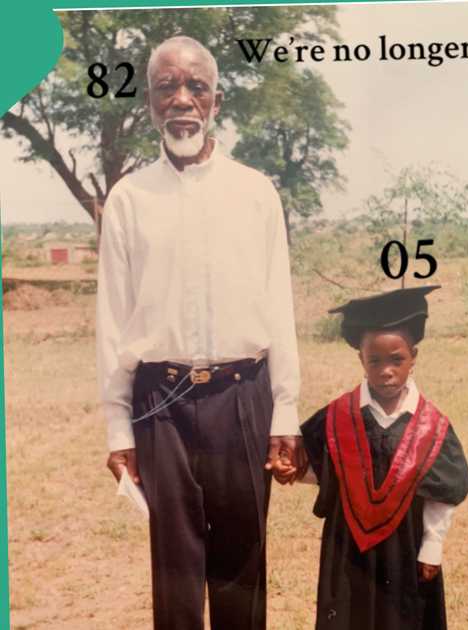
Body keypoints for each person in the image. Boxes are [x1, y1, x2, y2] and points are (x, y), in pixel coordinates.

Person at [96, 35, 304, 630]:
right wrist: (118, 427)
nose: (182, 99)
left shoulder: (255, 192)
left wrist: (284, 413)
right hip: (159, 405)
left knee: (242, 567)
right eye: (167, 87)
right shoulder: (129, 199)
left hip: (243, 396)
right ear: (150, 102)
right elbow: (113, 320)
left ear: (216, 100)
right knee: (176, 577)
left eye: (196, 87)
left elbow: (279, 309)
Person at [298, 286, 468, 630]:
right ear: (360, 359)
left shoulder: (431, 425)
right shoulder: (338, 416)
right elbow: (320, 469)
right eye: (374, 361)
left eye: (397, 360)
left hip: (407, 550)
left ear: (414, 357)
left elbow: (443, 494)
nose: (386, 371)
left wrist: (433, 546)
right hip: (347, 548)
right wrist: (294, 468)